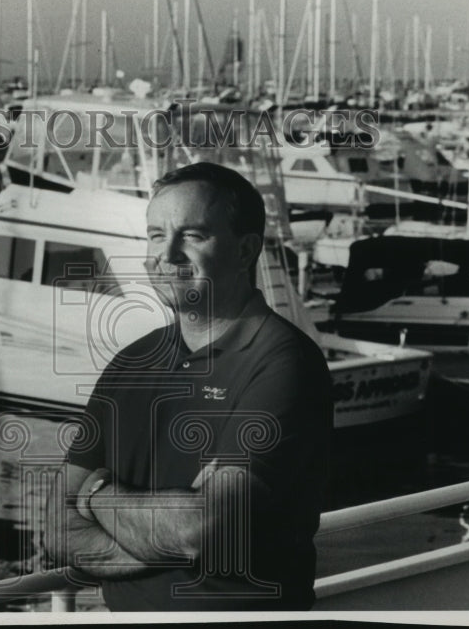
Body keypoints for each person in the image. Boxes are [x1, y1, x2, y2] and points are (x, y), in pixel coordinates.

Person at [43, 162, 332, 611]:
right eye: (157, 234)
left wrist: (94, 494)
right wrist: (168, 537)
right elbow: (58, 529)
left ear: (245, 250)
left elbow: (202, 530)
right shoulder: (131, 362)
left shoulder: (284, 363)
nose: (168, 254)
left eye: (193, 236)